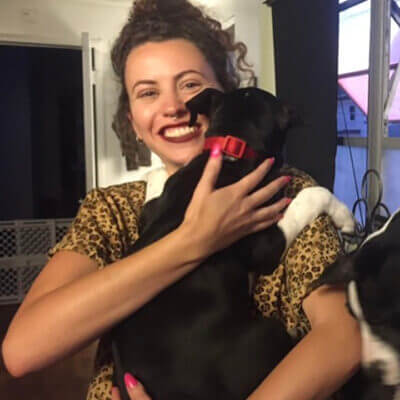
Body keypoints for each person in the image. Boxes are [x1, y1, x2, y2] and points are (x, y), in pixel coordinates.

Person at [1, 1, 361, 399]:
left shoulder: (284, 191)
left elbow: (343, 337)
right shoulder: (112, 211)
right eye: (148, 92)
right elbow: (22, 350)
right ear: (133, 121)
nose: (173, 107)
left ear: (223, 97)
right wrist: (191, 241)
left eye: (190, 85)